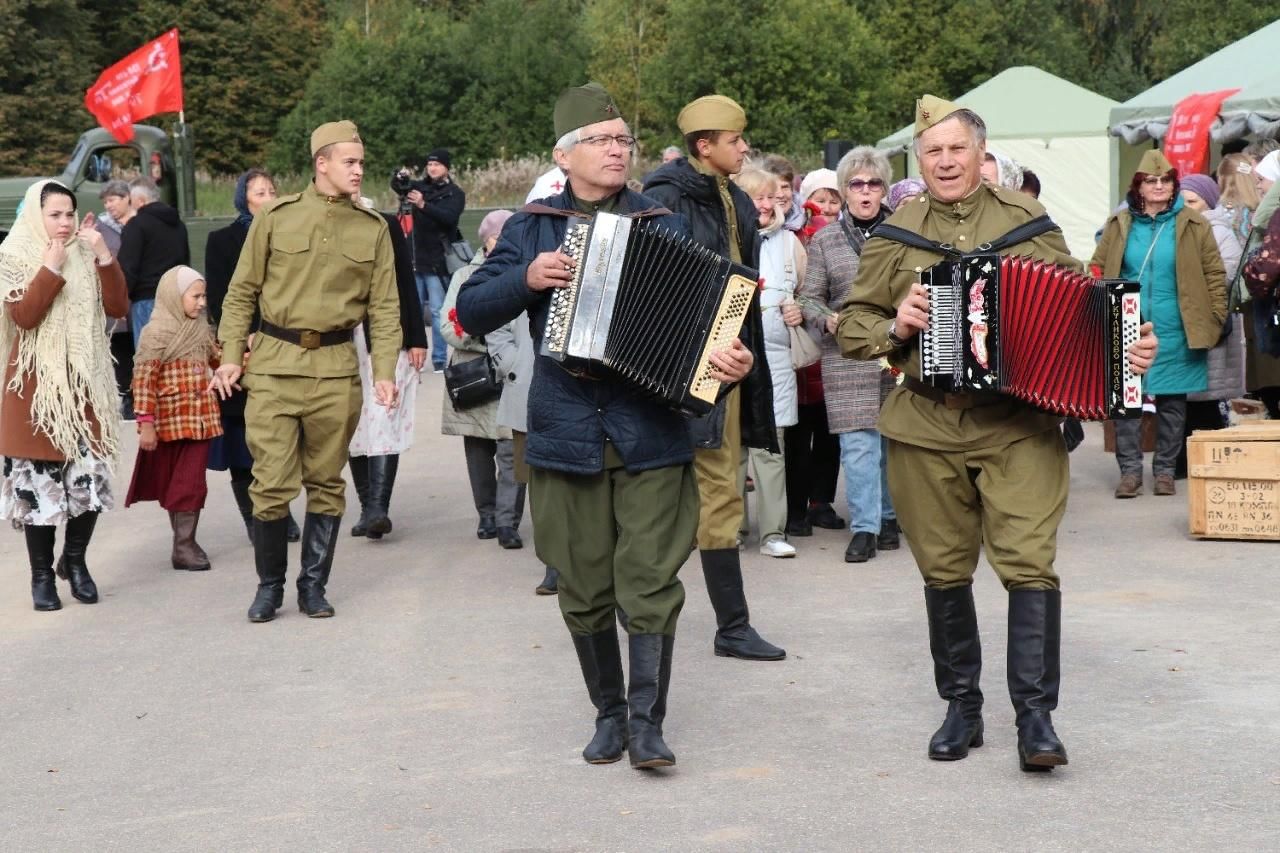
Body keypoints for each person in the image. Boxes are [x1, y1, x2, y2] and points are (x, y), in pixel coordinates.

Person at [838, 95, 1158, 771]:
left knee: (1028, 562)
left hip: (1018, 423)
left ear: (982, 156)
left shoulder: (1026, 221)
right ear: (918, 160)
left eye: (958, 150)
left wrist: (1126, 345)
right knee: (944, 568)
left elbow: (1082, 307)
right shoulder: (896, 232)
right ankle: (962, 708)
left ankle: (1036, 719)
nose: (946, 161)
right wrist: (897, 325)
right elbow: (852, 326)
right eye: (933, 152)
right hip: (926, 420)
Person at [457, 82, 755, 769]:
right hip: (566, 431)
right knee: (586, 587)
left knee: (650, 581)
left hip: (650, 431)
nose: (619, 151)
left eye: (625, 141)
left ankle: (647, 725)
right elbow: (472, 311)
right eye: (603, 140)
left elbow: (713, 317)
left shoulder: (664, 222)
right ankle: (609, 714)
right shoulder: (531, 226)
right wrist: (527, 278)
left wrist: (725, 360)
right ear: (566, 154)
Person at [211, 120, 402, 623]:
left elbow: (385, 310)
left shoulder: (373, 229)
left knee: (326, 481)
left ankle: (313, 586)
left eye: (362, 163)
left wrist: (384, 371)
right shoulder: (275, 216)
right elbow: (241, 292)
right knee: (270, 482)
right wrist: (232, 354)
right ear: (322, 163)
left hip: (337, 372)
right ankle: (269, 587)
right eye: (350, 162)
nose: (359, 171)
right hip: (273, 367)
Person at [643, 94, 785, 662]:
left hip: (726, 366)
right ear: (705, 146)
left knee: (722, 491)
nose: (744, 148)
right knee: (654, 494)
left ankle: (733, 627)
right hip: (666, 372)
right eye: (733, 140)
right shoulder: (662, 198)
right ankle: (641, 618)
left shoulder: (736, 199)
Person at [0, 180, 128, 611]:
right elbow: (25, 316)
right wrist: (50, 269)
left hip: (85, 388)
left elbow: (118, 308)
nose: (64, 223)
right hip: (36, 392)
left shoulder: (85, 253)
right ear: (37, 216)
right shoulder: (14, 255)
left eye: (69, 214)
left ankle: (74, 562)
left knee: (87, 484)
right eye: (55, 215)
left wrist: (105, 256)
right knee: (41, 492)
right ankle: (41, 577)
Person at [1093, 150, 1227, 498]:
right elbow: (1096, 267)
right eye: (1150, 180)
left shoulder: (1194, 225)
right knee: (1127, 401)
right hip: (1126, 323)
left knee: (1172, 401)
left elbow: (1215, 275)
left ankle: (1165, 471)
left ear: (1174, 185)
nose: (1158, 186)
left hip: (1177, 324)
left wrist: (1215, 317)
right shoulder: (1119, 225)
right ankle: (1130, 473)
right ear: (1137, 186)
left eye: (1165, 180)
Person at [798, 146, 898, 563]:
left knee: (894, 440)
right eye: (856, 184)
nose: (866, 191)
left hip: (898, 348)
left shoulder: (904, 233)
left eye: (874, 183)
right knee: (858, 443)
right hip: (847, 353)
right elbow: (809, 300)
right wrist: (828, 320)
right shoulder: (825, 239)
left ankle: (889, 516)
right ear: (843, 191)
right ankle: (865, 529)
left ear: (884, 189)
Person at [204, 169, 301, 544]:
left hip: (283, 346)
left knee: (281, 437)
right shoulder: (223, 240)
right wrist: (240, 338)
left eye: (273, 190)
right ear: (244, 198)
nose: (270, 196)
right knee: (243, 442)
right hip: (240, 350)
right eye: (261, 192)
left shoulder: (289, 236)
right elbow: (218, 298)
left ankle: (281, 509)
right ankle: (255, 518)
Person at [481, 209, 559, 593]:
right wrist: (511, 364)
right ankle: (553, 566)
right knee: (537, 483)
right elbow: (494, 323)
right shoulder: (523, 270)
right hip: (525, 389)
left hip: (571, 396)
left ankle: (576, 563)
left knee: (572, 486)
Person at [125, 266, 222, 571]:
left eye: (204, 296)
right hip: (169, 422)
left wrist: (243, 355)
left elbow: (218, 359)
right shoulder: (156, 334)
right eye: (196, 296)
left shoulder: (202, 330)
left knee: (191, 483)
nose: (202, 302)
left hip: (200, 420)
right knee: (173, 484)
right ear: (173, 296)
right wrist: (146, 424)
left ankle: (185, 545)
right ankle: (182, 545)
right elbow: (143, 380)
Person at [347, 199, 429, 540]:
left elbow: (404, 282)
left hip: (385, 335)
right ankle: (367, 508)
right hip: (342, 341)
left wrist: (416, 337)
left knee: (383, 415)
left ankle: (378, 508)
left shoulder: (384, 224)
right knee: (353, 423)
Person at [441, 212, 524, 549]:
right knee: (478, 450)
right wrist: (487, 341)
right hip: (473, 376)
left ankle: (508, 522)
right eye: (497, 236)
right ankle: (486, 514)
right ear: (485, 240)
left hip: (512, 374)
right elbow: (449, 326)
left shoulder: (525, 273)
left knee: (511, 450)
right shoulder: (464, 276)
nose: (504, 243)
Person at [735, 168, 803, 558]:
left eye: (768, 197)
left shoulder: (791, 244)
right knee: (732, 448)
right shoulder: (724, 238)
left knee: (771, 448)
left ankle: (773, 532)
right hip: (728, 354)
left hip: (775, 358)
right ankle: (732, 528)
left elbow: (810, 295)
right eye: (754, 197)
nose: (763, 204)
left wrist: (800, 312)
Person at [1179, 174, 1246, 445]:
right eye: (1181, 201)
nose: (1185, 207)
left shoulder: (1219, 232)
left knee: (1204, 403)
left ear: (1207, 202)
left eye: (1192, 201)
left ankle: (1207, 461)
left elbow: (1224, 278)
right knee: (1190, 402)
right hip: (1187, 324)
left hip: (1211, 326)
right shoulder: (1182, 229)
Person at [407, 149, 465, 372]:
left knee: (439, 310)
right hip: (415, 257)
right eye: (429, 164)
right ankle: (412, 356)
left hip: (437, 260)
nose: (432, 168)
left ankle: (439, 359)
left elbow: (449, 218)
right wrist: (400, 178)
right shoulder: (419, 187)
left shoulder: (455, 194)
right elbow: (399, 187)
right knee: (412, 310)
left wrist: (423, 206)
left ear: (446, 168)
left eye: (437, 165)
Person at [117, 177, 189, 347]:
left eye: (130, 200)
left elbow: (128, 267)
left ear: (140, 200)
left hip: (147, 301)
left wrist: (120, 300)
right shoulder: (179, 225)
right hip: (177, 300)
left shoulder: (136, 225)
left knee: (149, 363)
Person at [95, 180, 136, 419]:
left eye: (112, 200)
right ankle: (127, 398)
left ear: (126, 197)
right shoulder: (101, 228)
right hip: (117, 301)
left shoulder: (140, 222)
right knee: (120, 350)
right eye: (105, 201)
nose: (108, 205)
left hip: (138, 298)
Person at [797, 168, 840, 243]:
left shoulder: (850, 234)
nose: (827, 209)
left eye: (834, 202)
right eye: (821, 201)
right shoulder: (794, 236)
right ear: (807, 201)